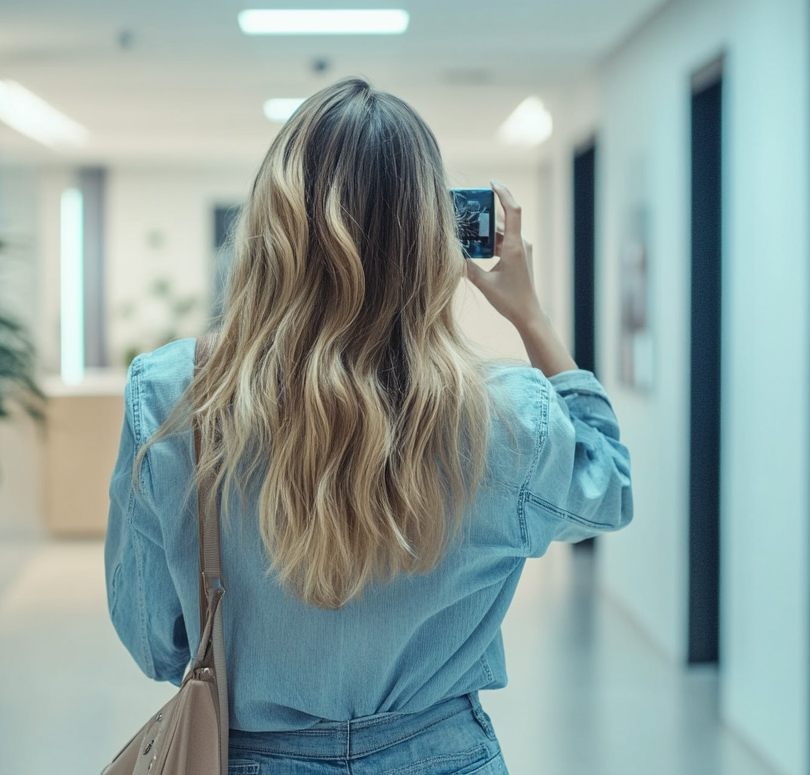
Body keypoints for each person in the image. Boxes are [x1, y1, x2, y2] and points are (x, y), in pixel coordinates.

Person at [105, 77, 632, 775]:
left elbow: (158, 643)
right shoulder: (507, 415)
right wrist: (530, 317)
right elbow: (609, 489)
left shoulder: (174, 395)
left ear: (271, 223)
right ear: (434, 239)